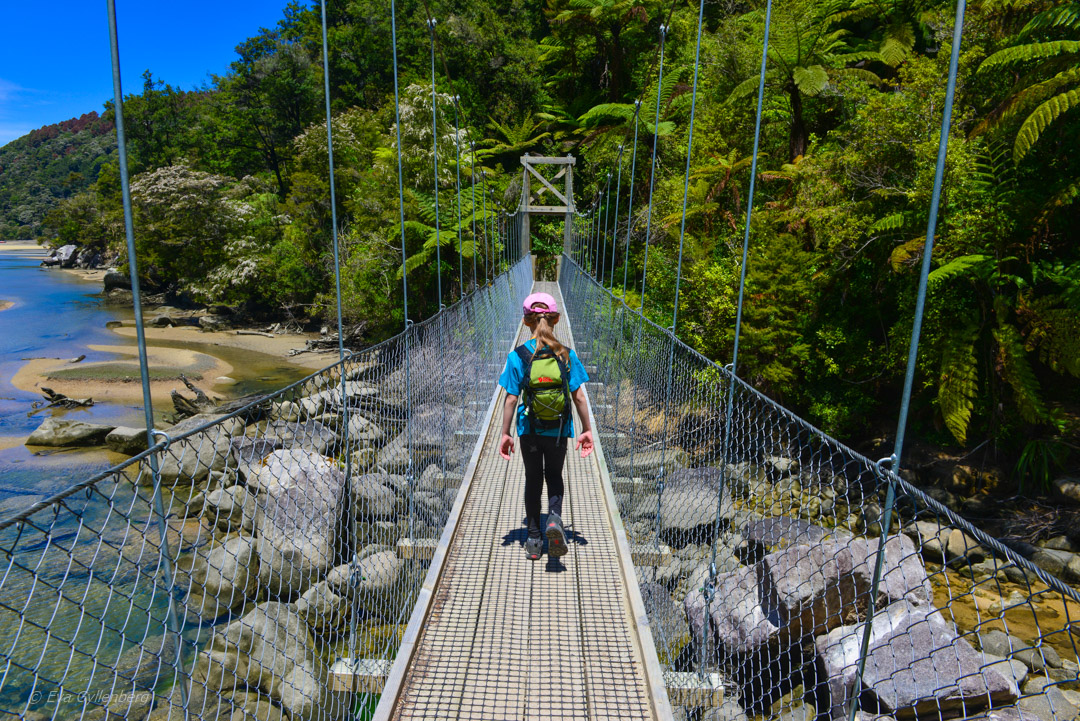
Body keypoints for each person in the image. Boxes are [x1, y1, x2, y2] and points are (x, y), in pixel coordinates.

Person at [499, 291, 594, 560]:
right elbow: (578, 396)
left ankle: (533, 539)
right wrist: (586, 430)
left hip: (529, 429)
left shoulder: (518, 356)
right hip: (559, 429)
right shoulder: (566, 354)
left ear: (526, 321)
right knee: (553, 475)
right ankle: (554, 520)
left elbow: (510, 399)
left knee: (533, 478)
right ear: (557, 319)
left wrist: (505, 434)